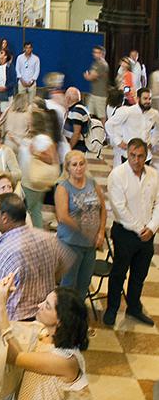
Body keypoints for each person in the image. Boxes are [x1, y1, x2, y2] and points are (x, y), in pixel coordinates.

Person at [0, 194, 73, 349]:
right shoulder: (47, 238)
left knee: (10, 368)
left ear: (5, 218)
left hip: (12, 327)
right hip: (41, 322)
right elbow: (66, 261)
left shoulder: (4, 253)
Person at [104, 138, 159, 327]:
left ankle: (134, 307)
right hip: (125, 232)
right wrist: (139, 229)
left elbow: (158, 203)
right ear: (127, 154)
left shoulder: (153, 174)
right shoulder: (117, 175)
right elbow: (119, 208)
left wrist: (152, 227)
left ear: (146, 156)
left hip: (147, 234)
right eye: (132, 155)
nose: (136, 160)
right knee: (119, 272)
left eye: (140, 156)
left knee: (139, 274)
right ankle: (112, 308)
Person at [55, 151, 106, 301]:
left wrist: (101, 231)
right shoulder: (63, 188)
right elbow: (63, 216)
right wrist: (86, 230)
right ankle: (65, 316)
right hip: (70, 244)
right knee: (69, 284)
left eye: (81, 164)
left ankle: (78, 313)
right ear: (68, 168)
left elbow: (102, 208)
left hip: (90, 245)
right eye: (74, 165)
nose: (79, 168)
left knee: (84, 282)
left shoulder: (92, 183)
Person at [83, 45, 109, 121]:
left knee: (102, 116)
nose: (95, 54)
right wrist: (89, 75)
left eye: (98, 52)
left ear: (103, 54)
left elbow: (91, 77)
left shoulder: (102, 64)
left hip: (101, 95)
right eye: (94, 52)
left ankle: (103, 131)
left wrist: (88, 76)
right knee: (89, 113)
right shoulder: (95, 63)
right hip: (93, 93)